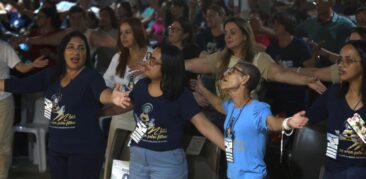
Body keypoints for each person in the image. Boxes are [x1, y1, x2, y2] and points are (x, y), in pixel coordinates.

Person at [0, 31, 128, 179]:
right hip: (57, 149)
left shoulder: (91, 77)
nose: (76, 52)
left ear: (87, 53)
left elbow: (102, 93)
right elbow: (20, 85)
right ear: (62, 51)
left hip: (85, 150)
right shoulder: (51, 75)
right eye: (71, 47)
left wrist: (112, 97)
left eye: (81, 48)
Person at [109, 45, 225, 178]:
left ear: (168, 68)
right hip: (138, 158)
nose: (147, 63)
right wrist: (97, 112)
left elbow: (204, 125)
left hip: (167, 163)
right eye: (149, 58)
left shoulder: (181, 95)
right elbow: (122, 106)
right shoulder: (141, 86)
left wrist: (232, 151)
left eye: (153, 61)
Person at [194, 61, 308, 179]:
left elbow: (272, 123)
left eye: (232, 71)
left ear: (245, 79)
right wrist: (202, 89)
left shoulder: (257, 109)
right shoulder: (231, 106)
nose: (225, 74)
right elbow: (218, 104)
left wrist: (288, 122)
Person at [184, 17, 326, 99]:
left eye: (232, 33)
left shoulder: (258, 59)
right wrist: (166, 62)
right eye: (226, 32)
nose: (227, 36)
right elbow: (191, 64)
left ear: (245, 36)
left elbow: (281, 73)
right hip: (223, 116)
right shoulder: (221, 58)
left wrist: (305, 80)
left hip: (247, 119)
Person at [305, 40, 366, 179]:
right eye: (339, 60)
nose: (340, 65)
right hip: (333, 170)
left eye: (349, 60)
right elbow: (307, 117)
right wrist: (280, 122)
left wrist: (358, 127)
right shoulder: (333, 93)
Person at [102, 17, 152, 179]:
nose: (123, 36)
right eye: (121, 33)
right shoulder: (118, 57)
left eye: (128, 32)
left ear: (137, 33)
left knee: (137, 164)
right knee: (115, 161)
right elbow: (105, 83)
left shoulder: (152, 55)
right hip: (119, 116)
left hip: (144, 119)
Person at [0, 39, 48, 179]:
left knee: (3, 142)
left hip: (3, 100)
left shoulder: (3, 47)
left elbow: (20, 67)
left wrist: (33, 64)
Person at [265, 12, 312, 115]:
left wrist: (317, 54)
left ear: (287, 25)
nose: (274, 27)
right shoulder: (272, 46)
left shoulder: (300, 46)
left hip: (296, 95)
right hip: (276, 95)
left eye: (278, 24)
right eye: (274, 24)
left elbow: (309, 67)